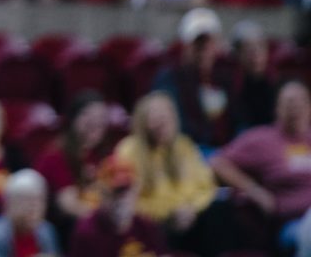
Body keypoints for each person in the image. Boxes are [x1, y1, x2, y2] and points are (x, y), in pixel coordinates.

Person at [113, 92, 228, 257]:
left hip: (190, 216)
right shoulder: (128, 151)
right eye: (156, 118)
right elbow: (126, 201)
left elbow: (207, 187)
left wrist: (191, 209)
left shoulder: (184, 146)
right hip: (156, 222)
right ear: (143, 123)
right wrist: (168, 214)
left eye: (167, 117)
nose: (163, 123)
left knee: (220, 209)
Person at [211, 81, 311, 252]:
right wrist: (254, 189)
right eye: (289, 103)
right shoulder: (262, 139)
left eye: (301, 102)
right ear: (277, 108)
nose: (296, 108)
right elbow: (218, 162)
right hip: (293, 224)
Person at [151, 7, 238, 149]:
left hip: (227, 150)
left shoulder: (224, 78)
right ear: (186, 46)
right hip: (188, 149)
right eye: (198, 43)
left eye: (208, 43)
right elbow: (175, 124)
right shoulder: (170, 78)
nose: (203, 49)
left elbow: (236, 118)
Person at [33, 92, 112, 233]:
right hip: (67, 229)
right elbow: (70, 207)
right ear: (72, 119)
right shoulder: (55, 156)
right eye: (87, 115)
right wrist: (108, 224)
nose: (94, 122)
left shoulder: (102, 156)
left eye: (100, 117)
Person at [69, 157, 168, 257]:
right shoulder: (87, 232)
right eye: (114, 194)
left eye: (126, 193)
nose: (121, 202)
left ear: (135, 194)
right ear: (101, 195)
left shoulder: (146, 227)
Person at [0, 169, 60, 257]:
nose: (34, 208)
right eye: (27, 200)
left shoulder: (46, 231)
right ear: (9, 204)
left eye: (39, 200)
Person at [232, 20, 277, 129]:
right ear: (238, 54)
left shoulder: (278, 86)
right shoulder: (231, 86)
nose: (255, 54)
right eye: (248, 48)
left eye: (260, 46)